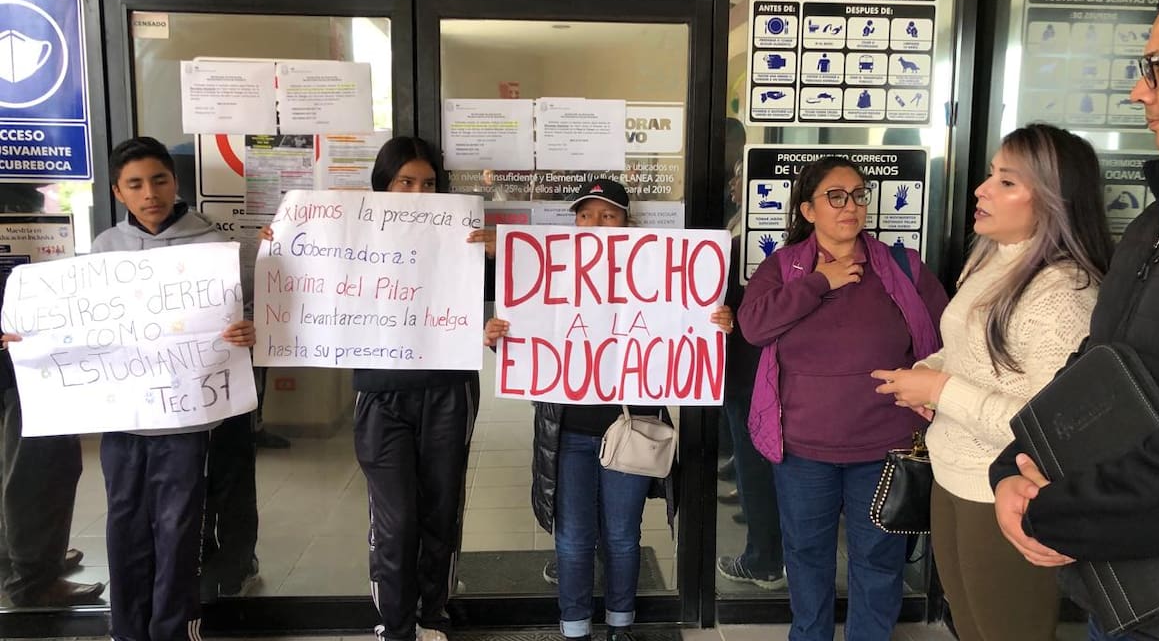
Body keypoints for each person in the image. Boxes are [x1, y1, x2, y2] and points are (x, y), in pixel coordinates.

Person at [990, 0, 1159, 641]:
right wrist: (1011, 468)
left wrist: (1052, 513)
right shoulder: (1157, 222)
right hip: (1120, 588)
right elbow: (1095, 370)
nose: (1138, 90)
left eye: (1156, 67)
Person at [874, 124, 1112, 641]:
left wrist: (939, 393)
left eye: (1007, 181)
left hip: (1004, 489)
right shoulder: (993, 263)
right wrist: (928, 370)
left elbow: (1051, 422)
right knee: (972, 627)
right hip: (952, 474)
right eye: (990, 175)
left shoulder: (1064, 293)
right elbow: (967, 352)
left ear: (1053, 200)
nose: (981, 190)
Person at [261, 136, 492, 641]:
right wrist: (276, 249)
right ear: (382, 186)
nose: (417, 192)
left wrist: (495, 261)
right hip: (382, 396)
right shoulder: (351, 236)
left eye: (428, 183)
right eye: (405, 181)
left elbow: (497, 313)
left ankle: (433, 615)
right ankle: (396, 623)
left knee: (439, 511)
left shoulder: (464, 240)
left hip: (449, 392)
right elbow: (305, 281)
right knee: (395, 520)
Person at [484, 177, 734, 641]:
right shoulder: (556, 277)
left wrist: (715, 321)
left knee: (622, 536)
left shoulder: (653, 276)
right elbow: (537, 355)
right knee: (573, 540)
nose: (595, 223)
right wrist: (503, 341)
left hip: (631, 431)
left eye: (608, 215)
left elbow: (683, 329)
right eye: (585, 214)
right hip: (569, 434)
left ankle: (621, 626)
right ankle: (575, 629)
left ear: (626, 222)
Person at [738, 156, 947, 641]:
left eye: (858, 194)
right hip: (804, 450)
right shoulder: (783, 269)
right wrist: (820, 282)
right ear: (808, 210)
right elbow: (754, 326)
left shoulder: (901, 267)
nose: (850, 206)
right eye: (836, 196)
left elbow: (945, 339)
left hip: (884, 446)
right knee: (807, 556)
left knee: (878, 560)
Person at [94, 136, 257, 641]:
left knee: (178, 528)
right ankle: (128, 630)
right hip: (123, 418)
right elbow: (80, 323)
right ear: (120, 193)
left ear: (175, 182)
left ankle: (172, 630)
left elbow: (249, 314)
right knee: (125, 526)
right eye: (136, 185)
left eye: (159, 180)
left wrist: (248, 330)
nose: (150, 194)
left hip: (188, 418)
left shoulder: (214, 247)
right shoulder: (104, 249)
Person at [0, 186, 102, 608]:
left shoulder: (31, 205)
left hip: (28, 353)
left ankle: (24, 561)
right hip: (27, 360)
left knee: (20, 465)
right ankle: (32, 581)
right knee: (40, 467)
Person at [717, 161, 785, 590]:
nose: (735, 181)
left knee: (758, 461)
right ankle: (762, 532)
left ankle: (764, 559)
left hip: (751, 370)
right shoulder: (739, 228)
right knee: (753, 462)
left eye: (744, 175)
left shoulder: (753, 246)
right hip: (751, 368)